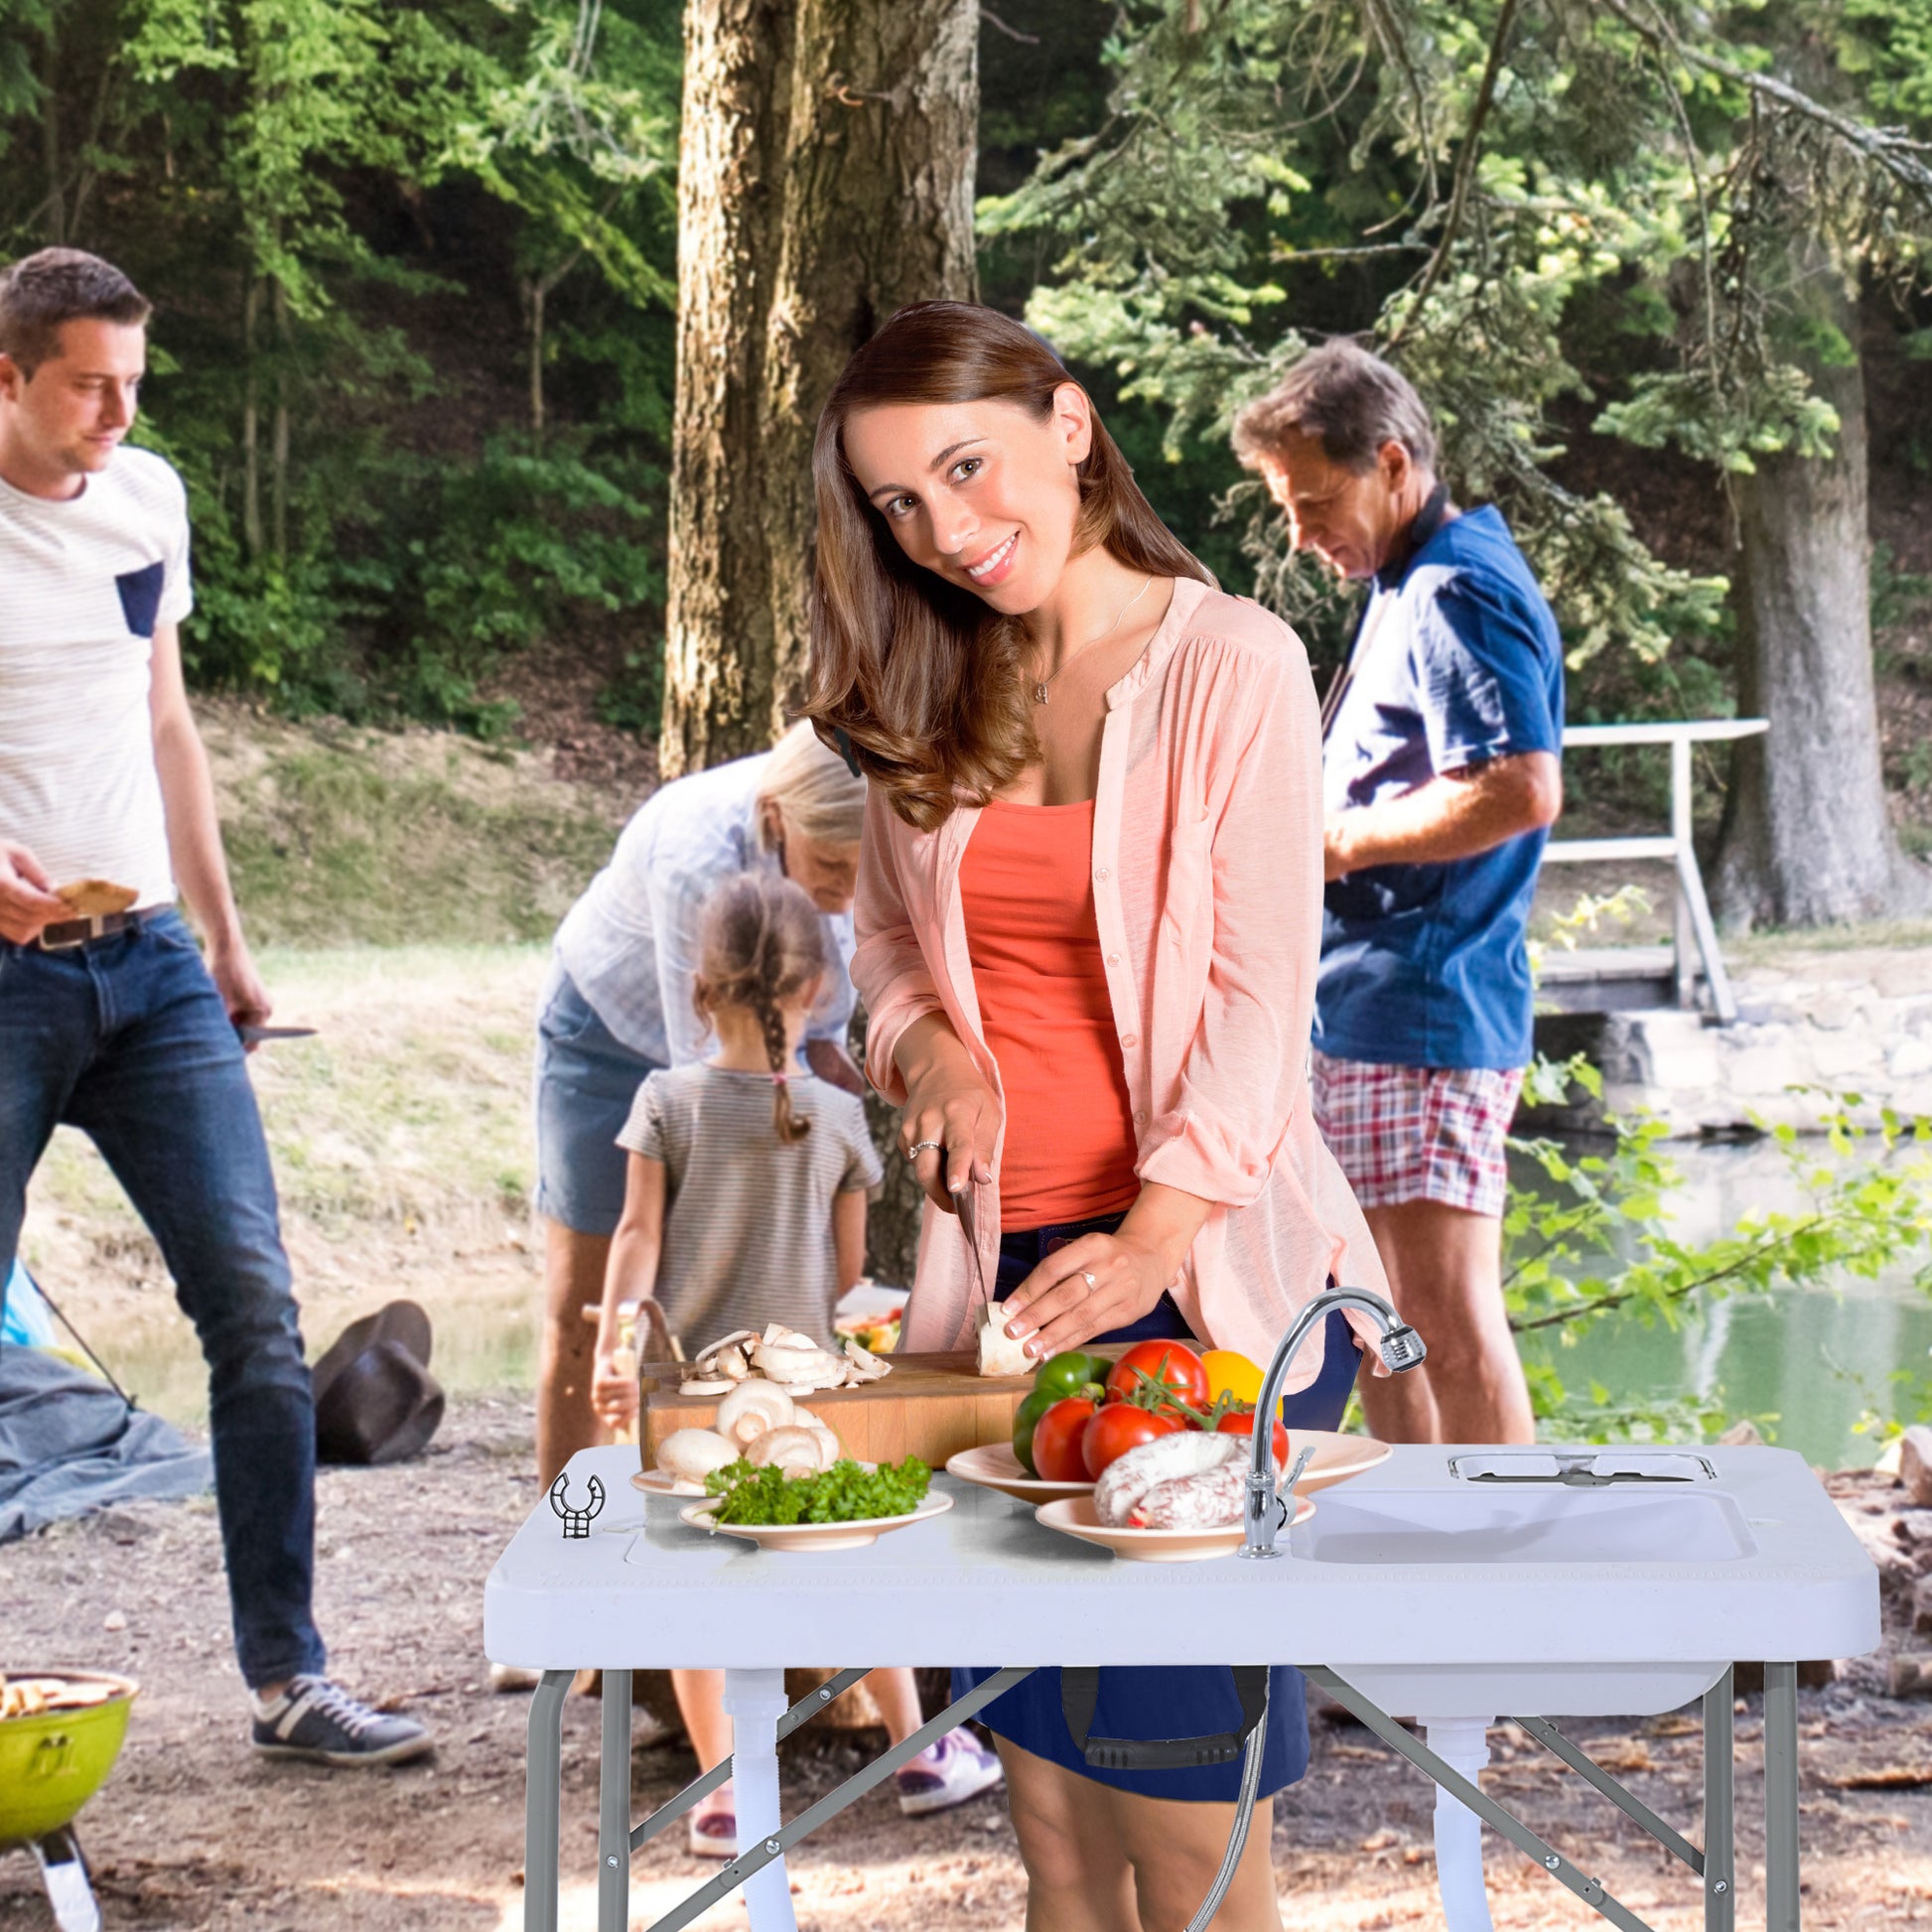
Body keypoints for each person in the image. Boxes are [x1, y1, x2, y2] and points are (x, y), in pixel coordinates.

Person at [805, 301, 1390, 1932]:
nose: (945, 529)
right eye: (900, 506)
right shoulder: (932, 673)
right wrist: (934, 1057)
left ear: (1069, 427)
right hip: (1001, 1302)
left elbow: (1267, 1002)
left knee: (1190, 1850)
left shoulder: (1232, 664)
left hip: (1193, 1293)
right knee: (1053, 1841)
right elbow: (892, 952)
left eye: (967, 468)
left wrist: (1151, 1238)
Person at [0, 247, 429, 1765]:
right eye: (86, 384)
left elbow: (167, 719)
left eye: (134, 380)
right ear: (8, 375)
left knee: (255, 1314)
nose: (118, 409)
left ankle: (288, 1679)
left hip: (153, 969)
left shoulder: (148, 496)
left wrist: (228, 943)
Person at [589, 872, 1003, 1854]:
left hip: (690, 1392)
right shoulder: (837, 1114)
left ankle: (728, 1794)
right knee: (856, 1566)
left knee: (696, 1584)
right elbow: (849, 1269)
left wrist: (616, 1339)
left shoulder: (664, 1100)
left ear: (700, 990)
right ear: (816, 989)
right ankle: (921, 1752)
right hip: (807, 1390)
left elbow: (635, 1234)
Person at [1232, 340, 1565, 1448]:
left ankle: (1505, 1580)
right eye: (1286, 506)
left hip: (1425, 1007)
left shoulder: (1456, 587)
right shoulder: (1402, 584)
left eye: (1314, 500)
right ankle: (1415, 1565)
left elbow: (1517, 787)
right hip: (1369, 1012)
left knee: (1444, 1319)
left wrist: (1331, 842)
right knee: (1378, 1322)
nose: (1299, 533)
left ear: (1390, 462)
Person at [534, 722, 868, 1487]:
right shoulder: (697, 856)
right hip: (607, 1036)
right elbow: (711, 1091)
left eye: (864, 872)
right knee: (589, 1308)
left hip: (740, 1061)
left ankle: (711, 1517)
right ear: (778, 820)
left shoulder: (858, 831)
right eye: (831, 868)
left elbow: (819, 1030)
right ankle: (568, 1533)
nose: (847, 894)